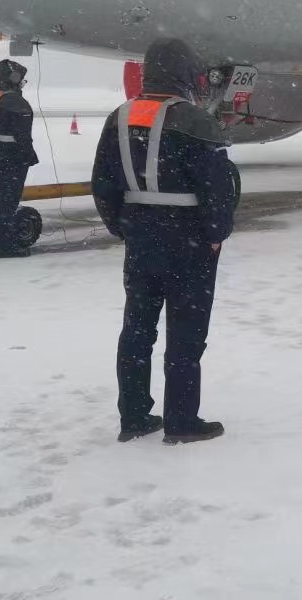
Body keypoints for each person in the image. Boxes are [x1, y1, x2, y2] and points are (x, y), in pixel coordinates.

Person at [91, 38, 236, 445]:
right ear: (185, 73)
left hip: (141, 237)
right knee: (186, 333)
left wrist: (122, 226)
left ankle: (134, 416)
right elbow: (218, 188)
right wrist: (215, 234)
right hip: (188, 239)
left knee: (137, 329)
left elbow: (102, 183)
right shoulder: (196, 121)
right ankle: (181, 421)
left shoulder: (118, 118)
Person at [0, 59, 38, 258]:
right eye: (20, 79)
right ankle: (5, 246)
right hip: (9, 154)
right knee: (7, 200)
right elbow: (23, 134)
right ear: (13, 78)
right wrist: (28, 155)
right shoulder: (15, 102)